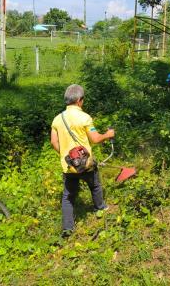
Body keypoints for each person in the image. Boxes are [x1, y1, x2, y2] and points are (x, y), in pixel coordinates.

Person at [50, 84, 115, 237]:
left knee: (68, 196)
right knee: (95, 185)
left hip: (69, 165)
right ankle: (100, 207)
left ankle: (67, 228)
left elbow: (54, 142)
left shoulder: (57, 119)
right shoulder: (84, 117)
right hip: (85, 164)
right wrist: (108, 134)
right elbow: (95, 138)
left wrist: (67, 155)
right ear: (79, 100)